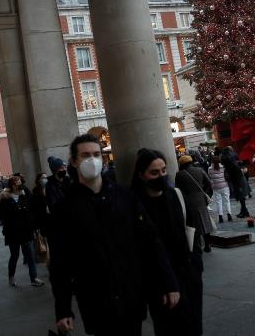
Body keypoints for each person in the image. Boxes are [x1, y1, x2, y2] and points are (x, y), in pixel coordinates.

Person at [51, 134, 178, 336]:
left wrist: (168, 281)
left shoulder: (125, 196)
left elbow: (150, 241)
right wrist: (63, 308)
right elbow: (60, 263)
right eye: (85, 155)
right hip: (95, 300)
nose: (92, 159)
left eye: (96, 154)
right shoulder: (65, 208)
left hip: (131, 294)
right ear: (74, 161)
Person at [132, 149, 203, 336]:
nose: (161, 176)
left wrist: (196, 264)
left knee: (193, 327)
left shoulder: (176, 196)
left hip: (188, 274)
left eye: (164, 170)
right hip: (159, 282)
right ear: (141, 175)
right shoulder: (135, 205)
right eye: (154, 173)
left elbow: (194, 229)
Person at [0, 175, 45, 287]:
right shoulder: (5, 199)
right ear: (13, 185)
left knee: (30, 255)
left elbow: (30, 212)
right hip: (13, 232)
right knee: (14, 255)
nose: (21, 185)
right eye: (18, 183)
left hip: (25, 231)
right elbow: (3, 216)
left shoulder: (24, 195)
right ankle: (11, 276)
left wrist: (32, 227)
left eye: (20, 182)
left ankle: (34, 278)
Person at [175, 155, 215, 252]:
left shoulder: (179, 175)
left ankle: (197, 247)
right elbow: (209, 183)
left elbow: (178, 189)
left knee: (193, 223)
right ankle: (208, 245)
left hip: (188, 201)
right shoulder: (200, 170)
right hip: (201, 200)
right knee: (205, 222)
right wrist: (205, 193)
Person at [208, 155, 233, 223]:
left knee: (218, 202)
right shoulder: (223, 167)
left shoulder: (210, 168)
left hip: (215, 187)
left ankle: (220, 217)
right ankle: (229, 215)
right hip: (224, 185)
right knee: (227, 201)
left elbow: (210, 176)